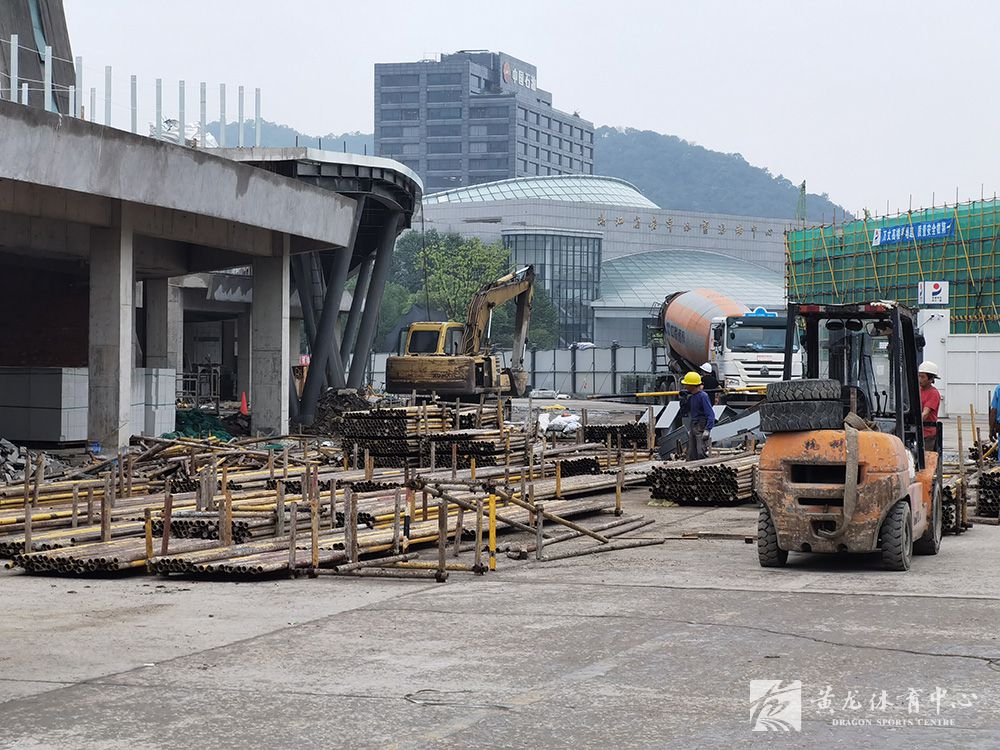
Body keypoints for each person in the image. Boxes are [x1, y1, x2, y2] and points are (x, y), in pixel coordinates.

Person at [683, 371, 715, 461]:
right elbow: (684, 410)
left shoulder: (703, 396)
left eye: (687, 384)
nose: (685, 386)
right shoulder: (692, 397)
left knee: (701, 451)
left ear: (692, 385)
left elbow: (710, 414)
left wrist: (708, 429)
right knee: (691, 453)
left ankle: (703, 469)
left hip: (701, 425)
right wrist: (683, 400)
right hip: (694, 424)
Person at [918, 361, 942, 453]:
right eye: (919, 376)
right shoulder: (918, 391)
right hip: (918, 431)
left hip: (928, 435)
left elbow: (925, 414)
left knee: (925, 459)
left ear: (931, 379)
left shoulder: (933, 393)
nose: (920, 379)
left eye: (923, 377)